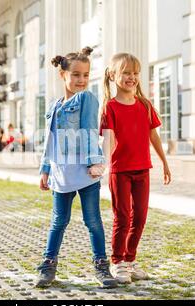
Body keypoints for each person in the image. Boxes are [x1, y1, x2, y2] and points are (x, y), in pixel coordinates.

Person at [36, 47, 118, 289]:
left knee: (92, 221)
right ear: (63, 74)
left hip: (85, 172)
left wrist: (96, 162)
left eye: (85, 75)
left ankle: (102, 266)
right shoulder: (53, 106)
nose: (82, 80)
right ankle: (48, 265)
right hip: (61, 173)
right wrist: (45, 168)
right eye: (76, 75)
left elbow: (89, 130)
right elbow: (50, 140)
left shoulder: (87, 98)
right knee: (58, 221)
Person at [100, 53, 172, 284]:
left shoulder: (145, 105)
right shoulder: (109, 107)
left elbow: (153, 135)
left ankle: (130, 260)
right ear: (113, 75)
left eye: (135, 73)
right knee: (122, 217)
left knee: (140, 217)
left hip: (142, 170)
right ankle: (117, 262)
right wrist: (104, 164)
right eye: (126, 73)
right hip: (120, 171)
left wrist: (164, 161)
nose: (132, 77)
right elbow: (108, 140)